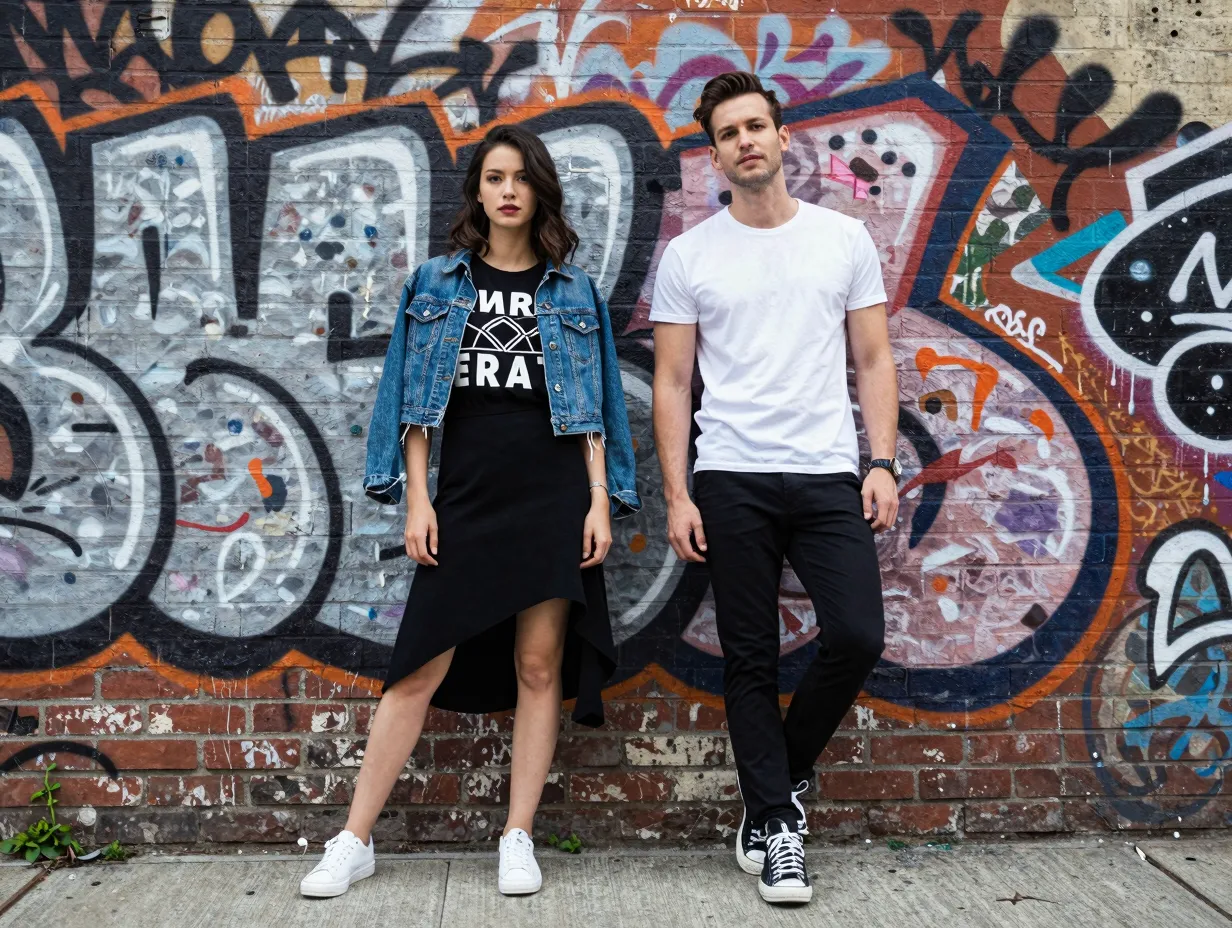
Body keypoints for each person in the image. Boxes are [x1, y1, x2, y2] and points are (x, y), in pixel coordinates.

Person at [301, 124, 640, 899]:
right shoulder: (439, 283)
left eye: (521, 177)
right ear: (478, 192)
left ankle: (516, 835)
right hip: (466, 496)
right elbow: (414, 408)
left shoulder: (572, 290)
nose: (508, 190)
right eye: (494, 177)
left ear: (539, 189)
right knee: (416, 668)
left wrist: (598, 500)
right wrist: (417, 498)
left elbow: (594, 413)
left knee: (538, 664)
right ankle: (353, 839)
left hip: (553, 493)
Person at [650, 72, 899, 905]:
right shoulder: (690, 255)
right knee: (750, 657)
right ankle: (782, 831)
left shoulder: (843, 239)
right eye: (729, 132)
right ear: (714, 154)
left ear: (785, 137)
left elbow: (872, 360)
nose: (746, 141)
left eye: (757, 125)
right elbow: (674, 385)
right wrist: (679, 494)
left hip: (829, 472)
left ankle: (771, 790)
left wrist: (883, 460)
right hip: (732, 478)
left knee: (858, 633)